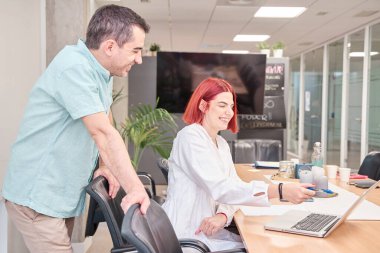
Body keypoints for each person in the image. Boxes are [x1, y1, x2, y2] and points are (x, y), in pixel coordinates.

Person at [2, 5, 150, 253]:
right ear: (110, 47)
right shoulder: (74, 67)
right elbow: (102, 133)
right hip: (38, 198)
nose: (139, 59)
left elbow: (106, 117)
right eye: (135, 50)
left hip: (59, 196)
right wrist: (136, 189)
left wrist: (104, 164)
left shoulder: (102, 71)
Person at [162, 77, 315, 251]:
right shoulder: (190, 138)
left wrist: (222, 215)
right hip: (189, 235)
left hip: (209, 230)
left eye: (231, 106)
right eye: (222, 105)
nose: (229, 112)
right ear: (203, 106)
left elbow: (233, 186)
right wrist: (279, 190)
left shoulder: (220, 143)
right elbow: (221, 188)